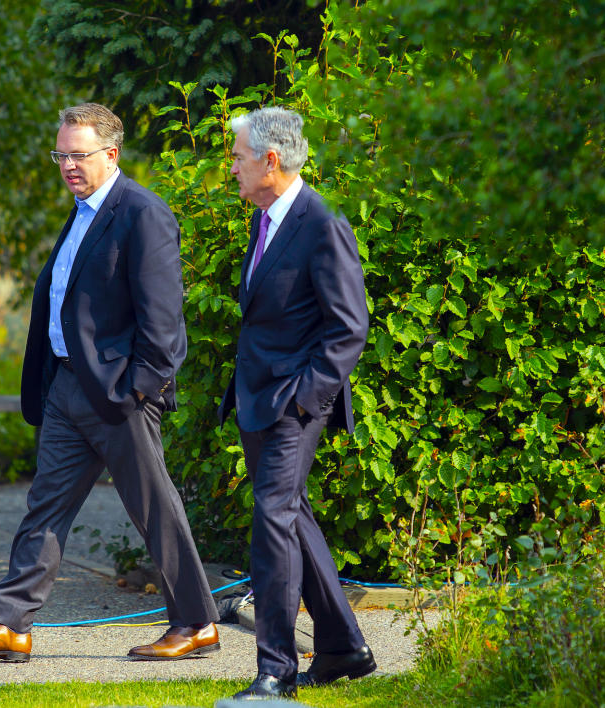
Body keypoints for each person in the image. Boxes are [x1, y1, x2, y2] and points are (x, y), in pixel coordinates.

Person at [0, 102, 220, 663]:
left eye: (79, 154)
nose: (68, 164)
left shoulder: (141, 212)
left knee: (153, 509)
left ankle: (195, 624)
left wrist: (138, 388)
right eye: (61, 154)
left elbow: (164, 319)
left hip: (119, 395)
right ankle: (9, 622)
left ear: (111, 154)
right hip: (68, 388)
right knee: (44, 507)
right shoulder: (81, 212)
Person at [215, 107, 375, 701]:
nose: (232, 167)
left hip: (293, 404)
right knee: (291, 516)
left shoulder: (321, 222)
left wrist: (307, 402)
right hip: (259, 399)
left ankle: (275, 672)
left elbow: (349, 327)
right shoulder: (265, 220)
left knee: (272, 519)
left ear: (270, 160)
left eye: (237, 157)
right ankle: (343, 650)